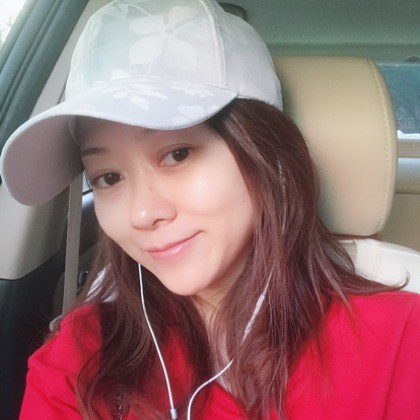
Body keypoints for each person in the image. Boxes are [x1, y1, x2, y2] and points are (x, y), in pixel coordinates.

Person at [1, 0, 419, 419]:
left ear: (268, 156)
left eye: (177, 154)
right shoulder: (81, 358)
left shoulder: (402, 344)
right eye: (108, 177)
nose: (142, 214)